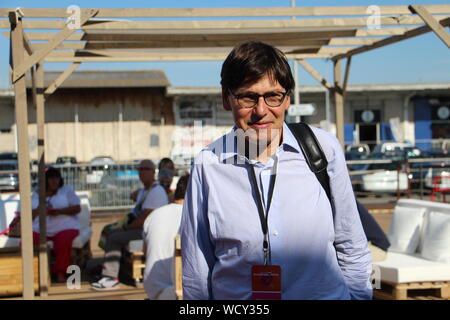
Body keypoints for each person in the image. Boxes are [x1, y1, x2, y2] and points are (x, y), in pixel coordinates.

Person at [181, 41, 372, 300]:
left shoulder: (322, 150)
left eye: (273, 96)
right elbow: (197, 265)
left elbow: (351, 244)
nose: (261, 111)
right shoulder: (208, 164)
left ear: (287, 100)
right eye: (248, 97)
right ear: (227, 99)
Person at [91, 159, 168, 291]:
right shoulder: (145, 190)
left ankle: (110, 277)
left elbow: (144, 218)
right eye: (139, 169)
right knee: (108, 230)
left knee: (114, 237)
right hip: (141, 229)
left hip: (149, 231)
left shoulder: (157, 191)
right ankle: (110, 266)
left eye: (145, 169)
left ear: (153, 172)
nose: (141, 172)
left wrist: (125, 228)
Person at [143, 174, 189, 300]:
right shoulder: (193, 217)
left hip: (153, 288)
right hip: (180, 291)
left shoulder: (154, 215)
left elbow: (145, 252)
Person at [31, 166, 81, 283]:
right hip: (40, 228)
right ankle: (35, 274)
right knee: (27, 241)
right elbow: (29, 214)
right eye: (51, 178)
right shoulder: (36, 195)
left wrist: (58, 211)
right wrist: (39, 210)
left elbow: (77, 208)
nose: (55, 181)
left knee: (62, 242)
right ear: (45, 180)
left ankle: (60, 273)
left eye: (57, 178)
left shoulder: (67, 191)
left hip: (65, 227)